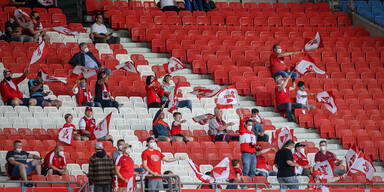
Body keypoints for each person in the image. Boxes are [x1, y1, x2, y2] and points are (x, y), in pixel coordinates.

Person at [238, 111, 257, 178]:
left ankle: (251, 185)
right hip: (246, 154)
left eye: (251, 125)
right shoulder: (243, 131)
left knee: (253, 170)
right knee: (246, 170)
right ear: (245, 125)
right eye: (249, 125)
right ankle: (244, 186)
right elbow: (241, 126)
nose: (250, 126)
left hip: (253, 154)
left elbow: (254, 144)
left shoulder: (253, 133)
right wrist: (241, 119)